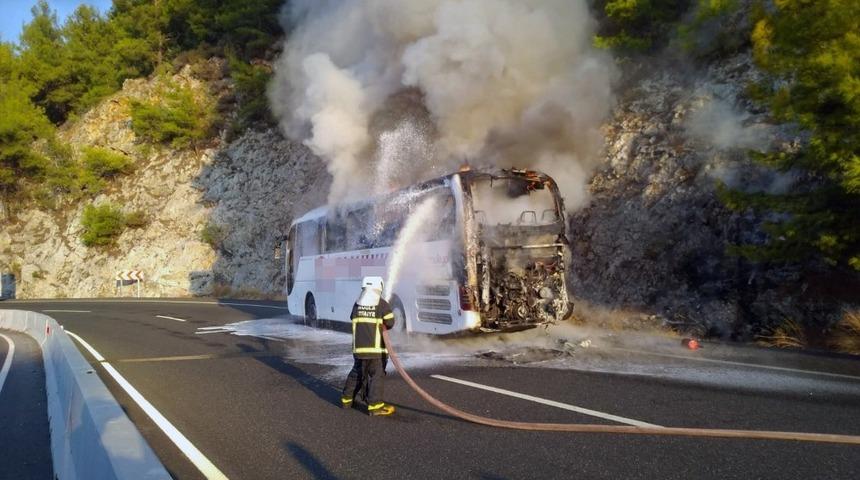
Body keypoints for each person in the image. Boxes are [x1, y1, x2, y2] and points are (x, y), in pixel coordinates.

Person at [341, 276, 396, 416]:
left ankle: (346, 400)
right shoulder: (382, 304)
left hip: (359, 350)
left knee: (356, 374)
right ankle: (375, 406)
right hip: (376, 351)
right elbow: (390, 323)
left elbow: (352, 318)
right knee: (376, 376)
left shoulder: (357, 304)